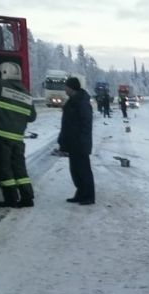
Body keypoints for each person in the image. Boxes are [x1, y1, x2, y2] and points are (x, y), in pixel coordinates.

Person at [0, 62, 36, 207]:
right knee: (19, 168)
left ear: (5, 73)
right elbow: (32, 117)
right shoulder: (27, 94)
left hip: (1, 137)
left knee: (4, 169)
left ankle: (11, 199)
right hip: (18, 140)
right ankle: (27, 198)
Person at [58, 77, 95, 205]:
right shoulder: (73, 101)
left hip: (80, 143)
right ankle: (80, 193)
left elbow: (86, 123)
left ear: (71, 87)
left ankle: (89, 196)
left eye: (66, 87)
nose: (65, 89)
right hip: (73, 143)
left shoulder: (81, 102)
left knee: (83, 170)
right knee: (75, 170)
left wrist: (82, 141)